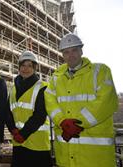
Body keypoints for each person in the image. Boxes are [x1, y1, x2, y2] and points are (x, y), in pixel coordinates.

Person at [44, 33, 118, 167]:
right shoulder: (56, 77)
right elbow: (50, 102)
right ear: (62, 55)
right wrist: (62, 121)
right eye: (66, 52)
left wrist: (77, 123)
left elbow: (106, 102)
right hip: (66, 155)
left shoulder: (100, 71)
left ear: (81, 51)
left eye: (74, 50)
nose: (70, 55)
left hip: (95, 157)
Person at [6, 50, 52, 167]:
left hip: (37, 144)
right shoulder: (13, 88)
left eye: (29, 66)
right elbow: (7, 112)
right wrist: (13, 130)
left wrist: (23, 134)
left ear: (34, 68)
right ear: (19, 67)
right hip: (18, 143)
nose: (25, 69)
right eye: (23, 65)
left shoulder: (42, 87)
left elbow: (40, 115)